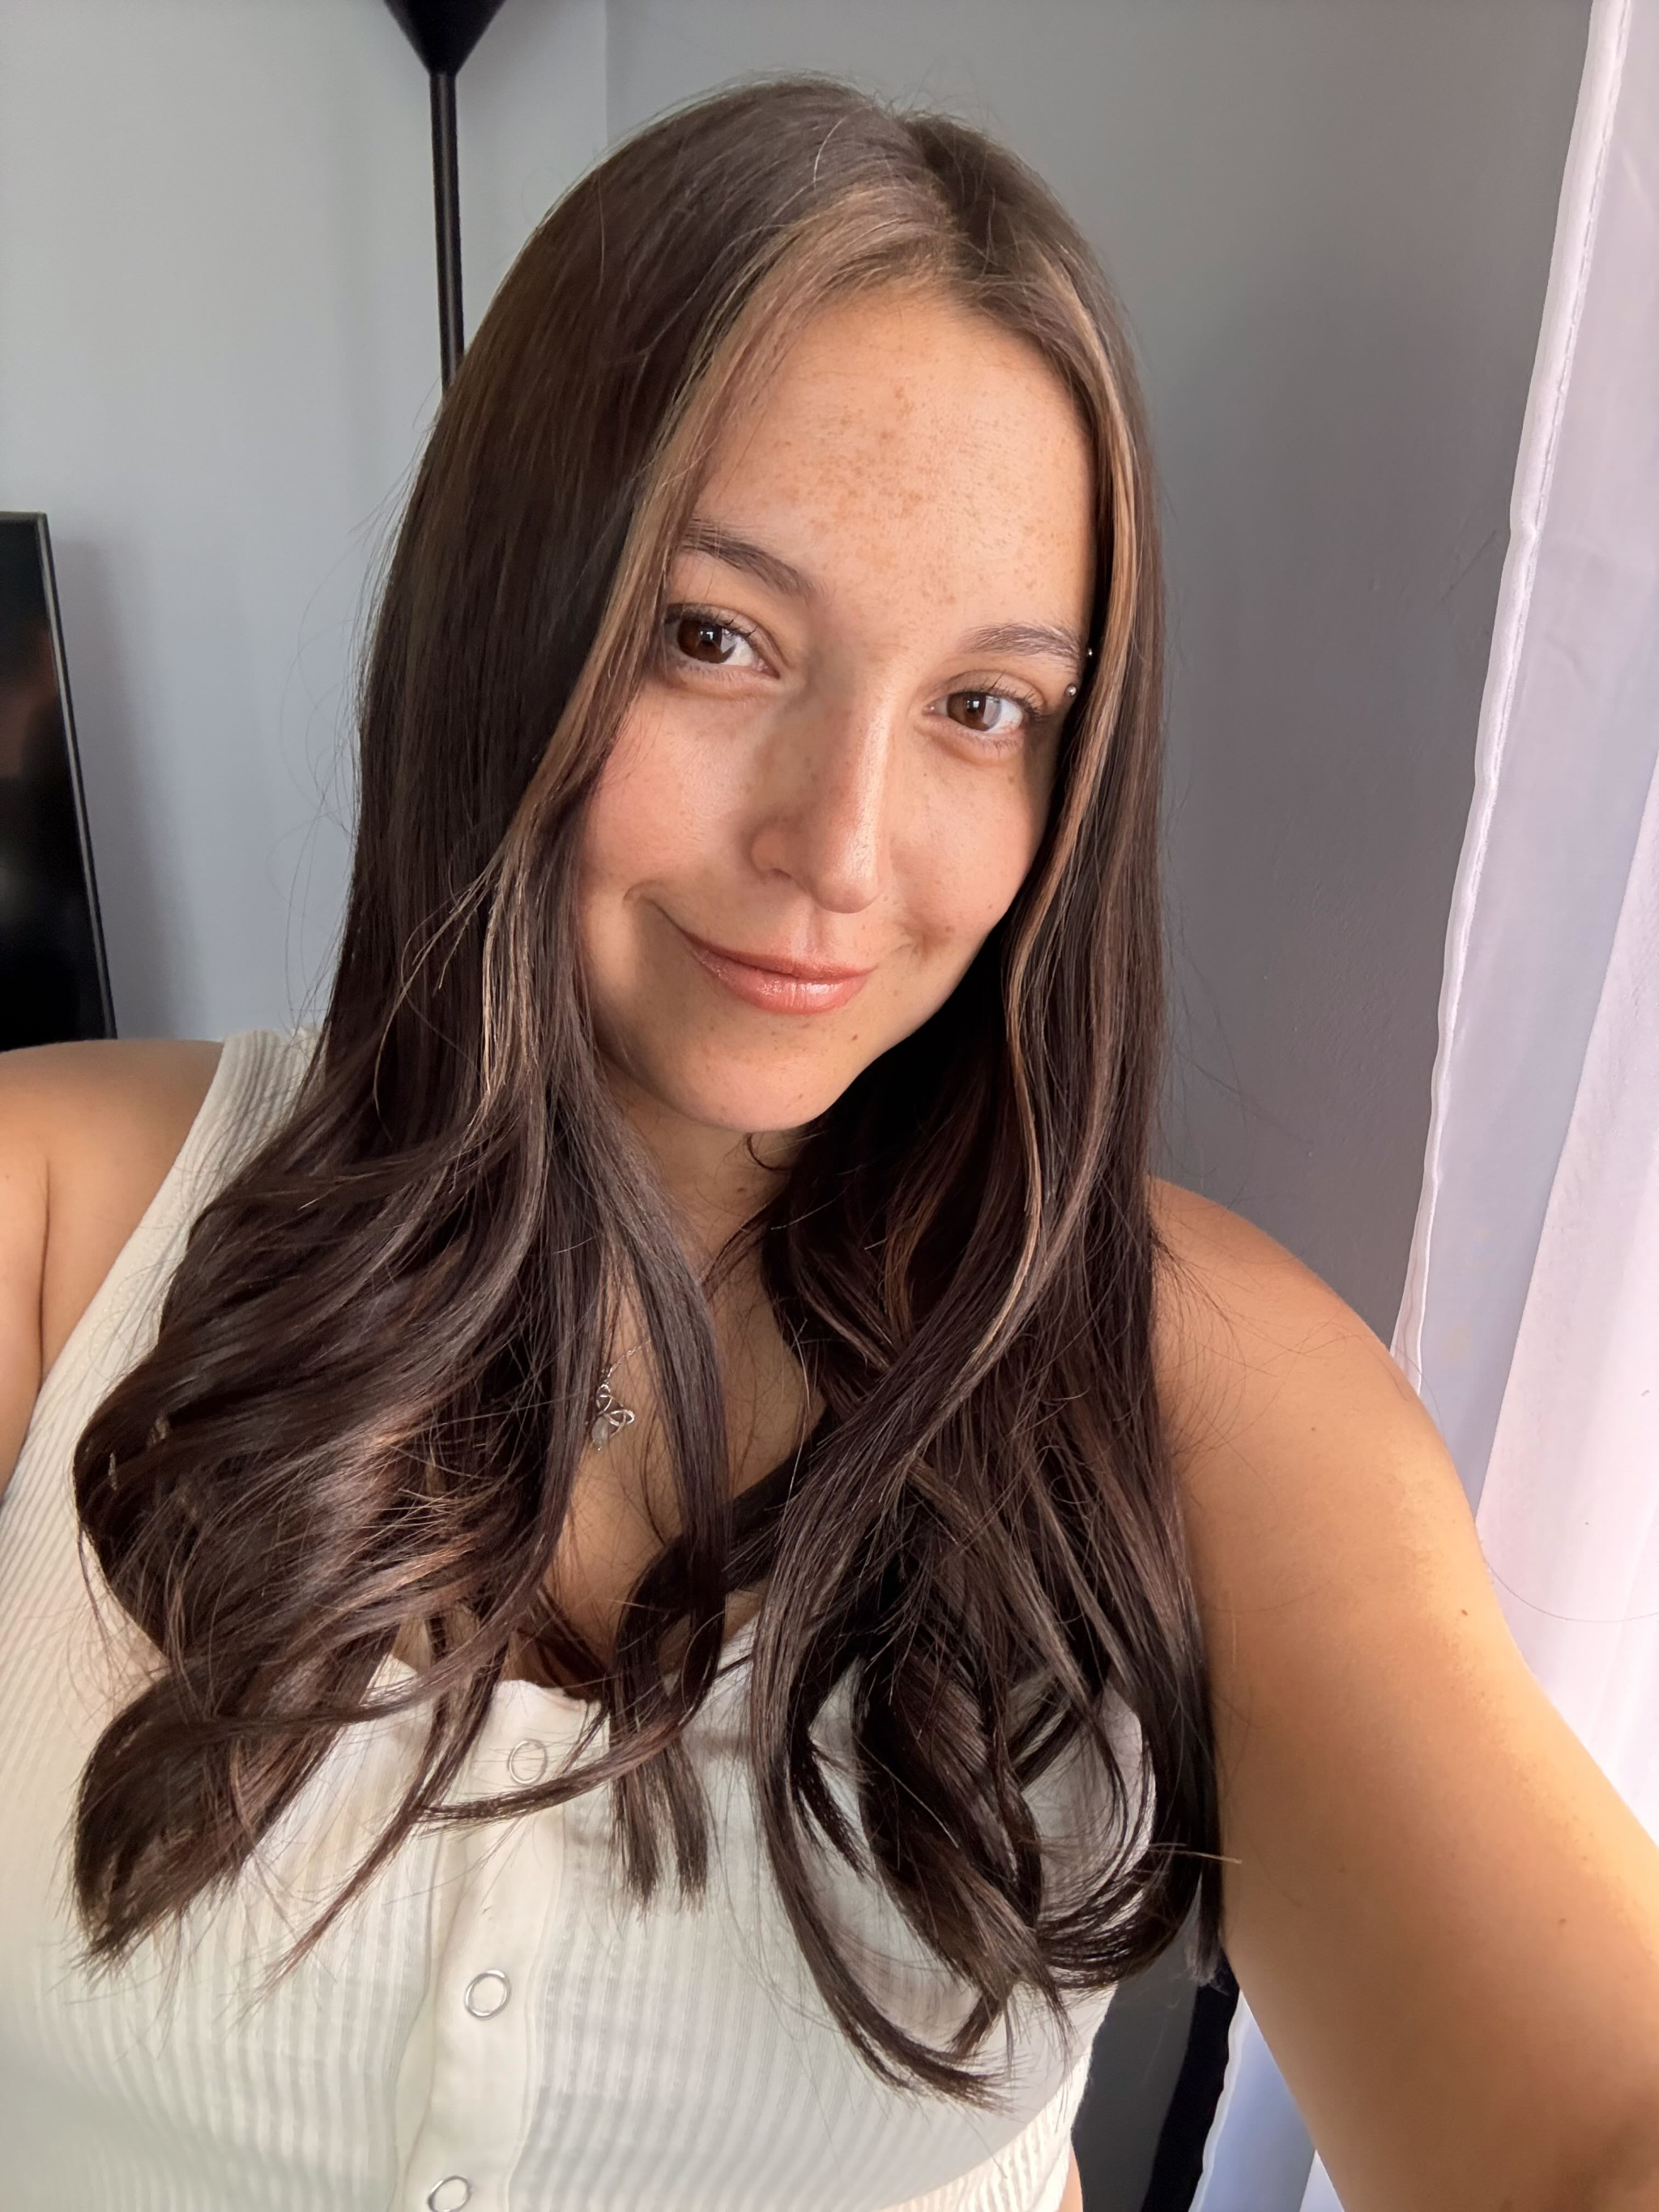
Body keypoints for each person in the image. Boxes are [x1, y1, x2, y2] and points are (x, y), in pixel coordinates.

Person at [1, 75, 1656, 2212]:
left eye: (983, 707)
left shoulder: (1199, 1387)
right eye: (715, 639)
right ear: (507, 628)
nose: (843, 853)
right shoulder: (61, 1221)